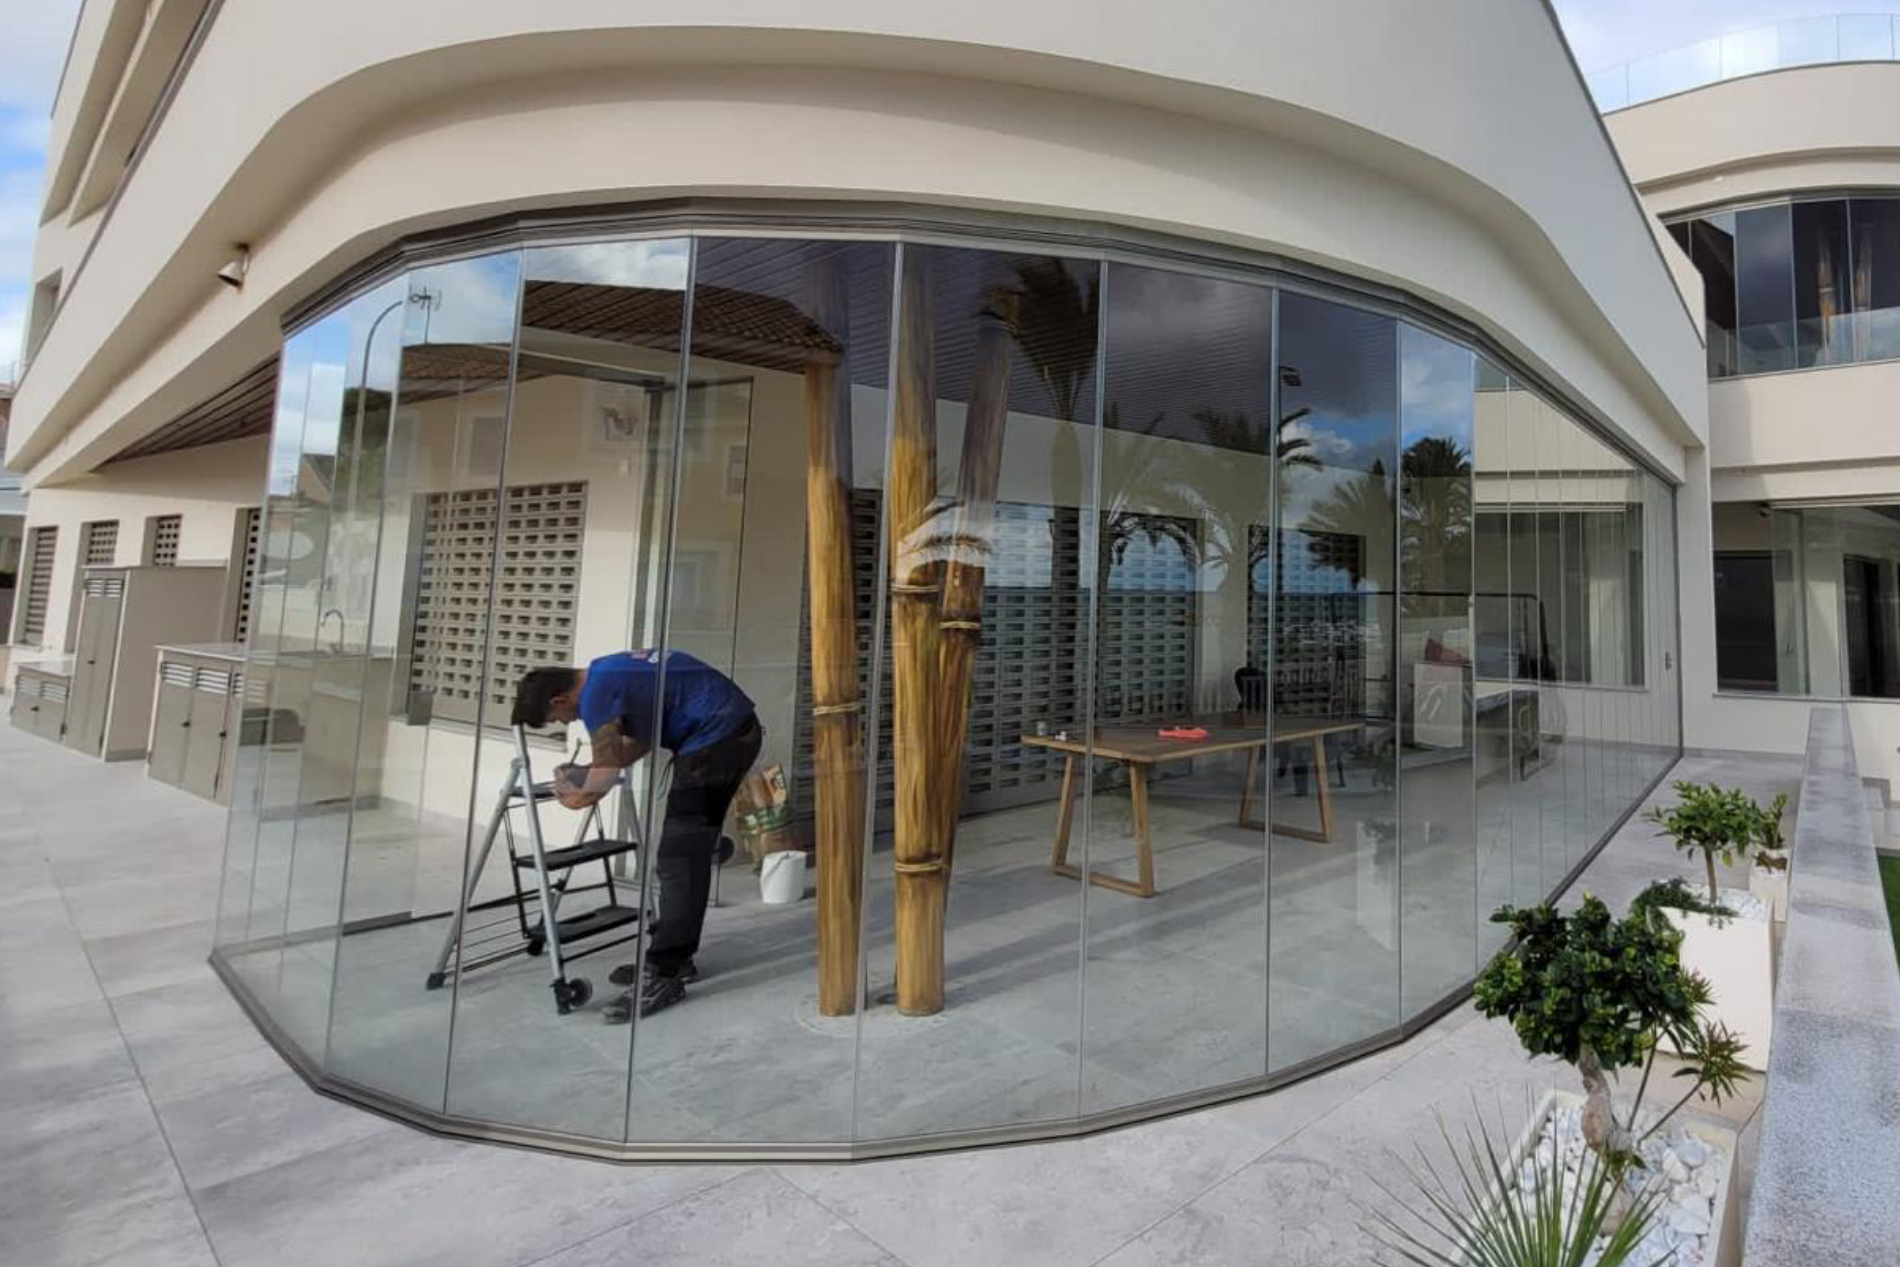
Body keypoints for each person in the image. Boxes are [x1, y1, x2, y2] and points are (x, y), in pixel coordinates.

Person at [512, 650, 761, 1020]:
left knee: (679, 860)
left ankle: (665, 972)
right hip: (729, 733)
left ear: (559, 699)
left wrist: (571, 796)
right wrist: (587, 772)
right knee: (684, 854)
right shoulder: (608, 672)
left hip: (716, 741)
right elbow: (641, 742)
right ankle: (674, 958)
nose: (568, 721)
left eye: (558, 718)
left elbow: (604, 776)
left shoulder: (596, 695)